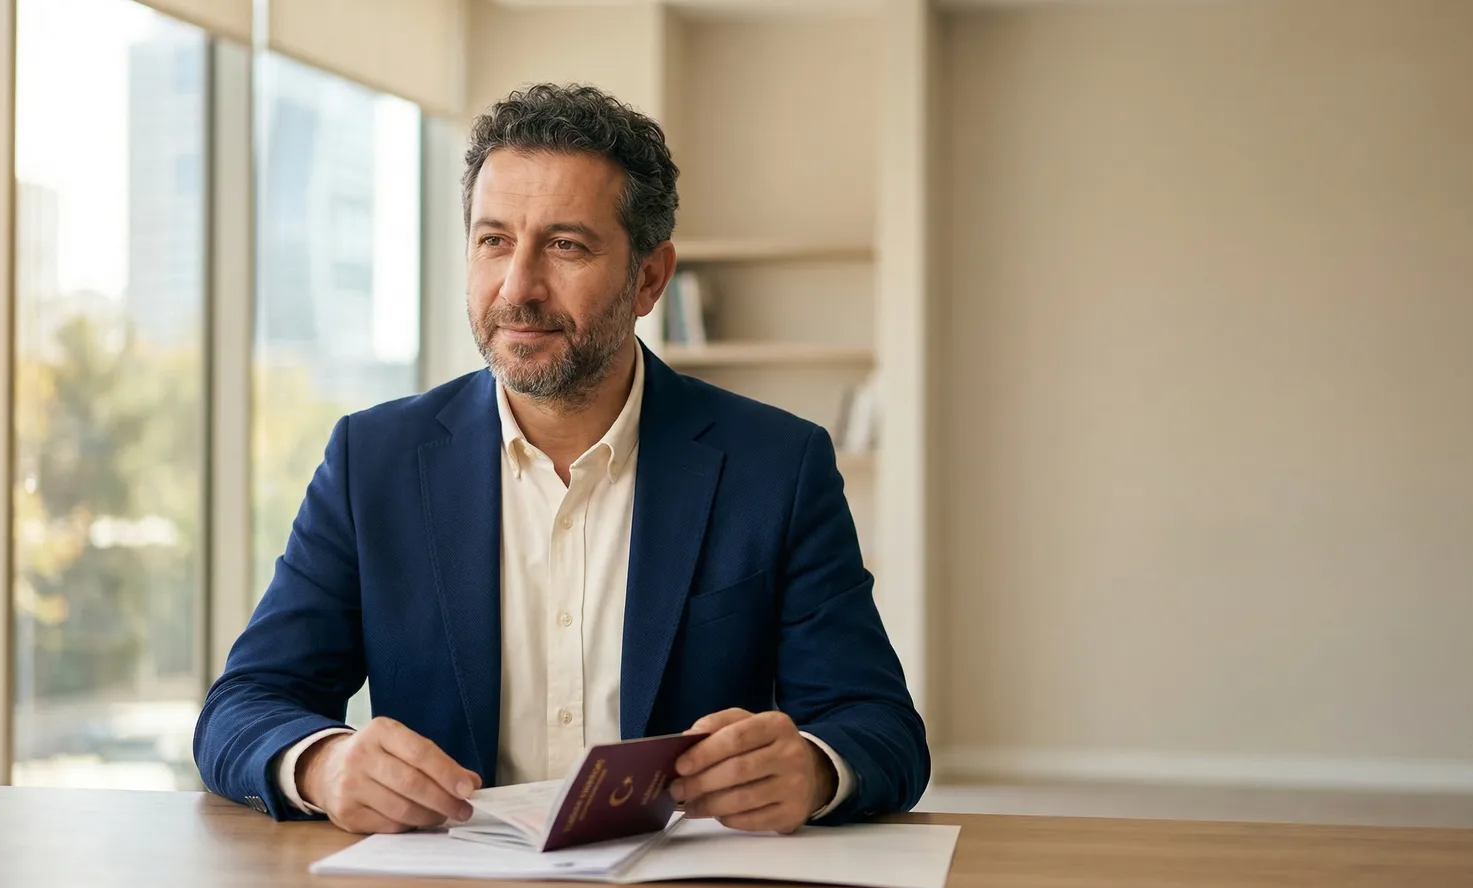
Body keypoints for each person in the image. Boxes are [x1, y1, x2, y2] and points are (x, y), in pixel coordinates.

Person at [193, 83, 928, 836]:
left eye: (565, 245)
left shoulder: (776, 467)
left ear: (649, 278)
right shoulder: (371, 462)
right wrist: (323, 764)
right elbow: (243, 706)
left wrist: (814, 767)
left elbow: (879, 726)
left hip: (678, 882)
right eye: (494, 240)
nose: (518, 288)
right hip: (448, 883)